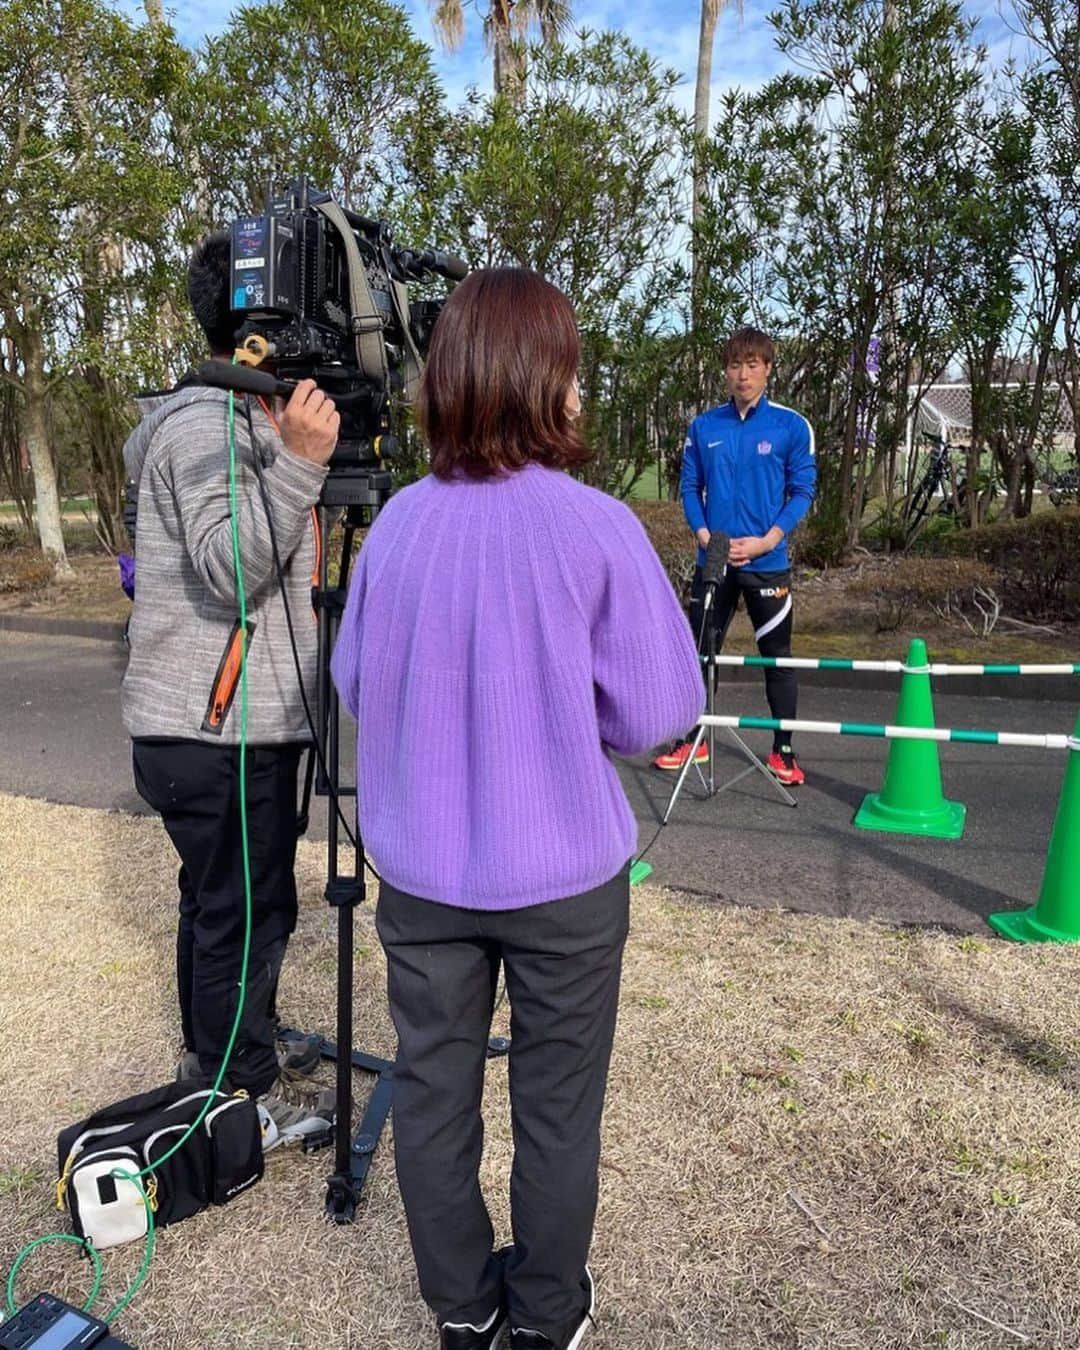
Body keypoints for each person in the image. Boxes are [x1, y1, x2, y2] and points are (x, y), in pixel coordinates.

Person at [331, 267, 703, 1350]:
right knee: (557, 1110)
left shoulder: (396, 526)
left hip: (424, 880)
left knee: (432, 1095)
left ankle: (459, 1305)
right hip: (568, 884)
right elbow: (657, 712)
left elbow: (358, 683)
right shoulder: (596, 529)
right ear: (549, 381)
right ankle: (545, 1316)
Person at [121, 231, 338, 1145]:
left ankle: (222, 1050)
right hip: (213, 731)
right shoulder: (204, 423)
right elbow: (229, 567)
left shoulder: (231, 414)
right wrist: (300, 463)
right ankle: (240, 1094)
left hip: (223, 727)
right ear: (254, 332)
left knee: (226, 906)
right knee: (241, 912)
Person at [653, 326, 816, 785]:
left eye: (752, 365)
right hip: (715, 562)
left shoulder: (790, 426)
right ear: (725, 370)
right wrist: (705, 536)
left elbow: (802, 491)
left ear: (767, 368)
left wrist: (767, 540)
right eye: (734, 365)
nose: (742, 374)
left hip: (767, 561)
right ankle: (693, 738)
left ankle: (784, 750)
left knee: (776, 657)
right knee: (701, 652)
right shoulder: (705, 426)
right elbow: (689, 488)